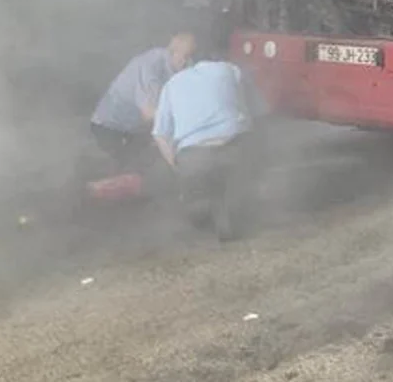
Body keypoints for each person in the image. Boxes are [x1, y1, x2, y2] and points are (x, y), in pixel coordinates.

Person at [151, 54, 268, 237]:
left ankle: (200, 211)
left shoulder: (171, 84)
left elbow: (159, 134)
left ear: (186, 63)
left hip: (193, 156)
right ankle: (233, 209)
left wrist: (176, 166)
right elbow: (258, 110)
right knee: (234, 182)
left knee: (197, 198)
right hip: (234, 146)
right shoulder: (231, 69)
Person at [90, 33, 197, 171]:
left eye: (191, 56)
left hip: (137, 130)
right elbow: (149, 112)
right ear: (172, 51)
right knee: (131, 170)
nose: (188, 62)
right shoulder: (150, 65)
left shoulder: (184, 66)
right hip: (110, 127)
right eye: (185, 56)